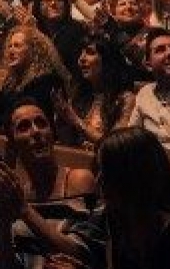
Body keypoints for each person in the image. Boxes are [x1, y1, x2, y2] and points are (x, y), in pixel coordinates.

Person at [0, 98, 96, 268]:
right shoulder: (18, 192)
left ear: (52, 133)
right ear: (12, 144)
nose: (35, 132)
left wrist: (25, 210)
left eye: (41, 123)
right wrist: (3, 222)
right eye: (24, 127)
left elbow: (82, 253)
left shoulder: (79, 180)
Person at [56, 127, 170, 269]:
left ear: (132, 176)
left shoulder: (163, 228)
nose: (97, 181)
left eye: (106, 172)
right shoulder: (112, 220)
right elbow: (77, 248)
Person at [128, 26, 170, 155]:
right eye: (160, 50)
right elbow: (132, 138)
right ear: (148, 64)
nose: (169, 53)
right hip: (151, 168)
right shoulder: (145, 93)